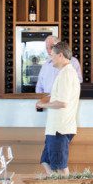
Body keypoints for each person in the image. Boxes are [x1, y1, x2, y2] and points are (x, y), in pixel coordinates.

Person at [35, 41, 80, 174]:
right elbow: (57, 96)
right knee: (46, 161)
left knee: (60, 166)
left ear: (60, 55)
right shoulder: (64, 73)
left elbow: (62, 102)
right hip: (55, 128)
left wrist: (42, 105)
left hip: (60, 129)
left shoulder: (67, 74)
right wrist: (45, 99)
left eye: (52, 55)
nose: (50, 58)